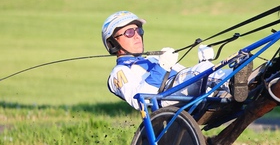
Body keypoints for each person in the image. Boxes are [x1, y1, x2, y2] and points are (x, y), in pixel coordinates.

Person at [102, 10, 249, 110]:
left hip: (180, 92)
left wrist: (204, 60)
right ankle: (235, 83)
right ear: (112, 43)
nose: (136, 35)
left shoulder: (153, 58)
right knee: (201, 71)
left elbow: (186, 74)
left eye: (139, 30)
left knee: (205, 67)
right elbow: (140, 100)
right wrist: (162, 67)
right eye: (129, 32)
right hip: (163, 101)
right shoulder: (119, 72)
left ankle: (249, 79)